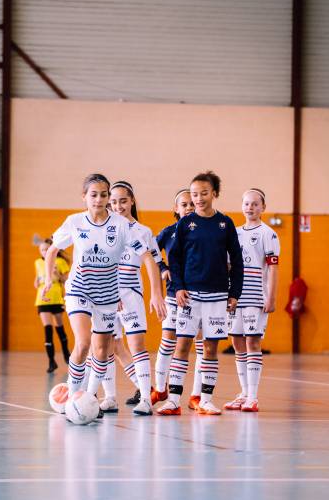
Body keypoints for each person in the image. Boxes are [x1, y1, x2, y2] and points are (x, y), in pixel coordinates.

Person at [42, 173, 166, 411]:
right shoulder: (75, 222)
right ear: (84, 197)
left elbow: (148, 258)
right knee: (84, 342)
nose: (98, 199)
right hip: (79, 290)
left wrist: (156, 293)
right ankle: (73, 393)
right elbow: (52, 250)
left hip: (108, 295)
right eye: (93, 195)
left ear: (107, 197)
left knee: (102, 350)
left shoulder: (122, 226)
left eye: (103, 195)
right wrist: (48, 278)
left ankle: (88, 399)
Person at [157, 171, 243, 416]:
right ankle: (173, 400)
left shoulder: (225, 224)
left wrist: (234, 292)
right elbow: (174, 258)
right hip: (189, 296)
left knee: (210, 349)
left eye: (204, 193)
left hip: (217, 297)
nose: (198, 198)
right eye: (194, 194)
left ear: (214, 194)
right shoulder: (185, 223)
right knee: (181, 345)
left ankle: (205, 399)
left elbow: (236, 261)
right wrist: (180, 286)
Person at [104, 180, 168, 415]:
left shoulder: (143, 231)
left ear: (132, 201)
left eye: (123, 201)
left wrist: (156, 294)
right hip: (107, 296)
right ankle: (110, 397)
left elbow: (152, 264)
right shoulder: (104, 229)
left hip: (131, 295)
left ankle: (146, 400)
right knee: (107, 346)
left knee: (136, 345)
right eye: (113, 201)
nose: (118, 206)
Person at [145, 189, 206, 409]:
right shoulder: (169, 232)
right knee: (168, 342)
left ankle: (196, 395)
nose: (189, 207)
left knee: (199, 345)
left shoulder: (206, 231)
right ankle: (161, 389)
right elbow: (150, 251)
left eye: (192, 203)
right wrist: (162, 267)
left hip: (199, 296)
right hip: (173, 295)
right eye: (184, 204)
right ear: (176, 208)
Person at [223, 188, 279, 413]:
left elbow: (273, 268)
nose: (250, 207)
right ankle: (244, 392)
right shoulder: (234, 233)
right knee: (237, 342)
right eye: (247, 203)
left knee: (252, 342)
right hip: (236, 295)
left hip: (256, 296)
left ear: (263, 207)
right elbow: (228, 266)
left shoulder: (268, 233)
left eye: (255, 204)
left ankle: (253, 397)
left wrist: (271, 297)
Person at [34, 238, 71, 373]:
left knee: (59, 328)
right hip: (42, 299)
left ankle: (67, 355)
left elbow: (67, 280)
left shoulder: (60, 262)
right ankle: (51, 361)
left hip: (56, 297)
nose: (44, 252)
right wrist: (37, 283)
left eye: (46, 249)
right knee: (48, 329)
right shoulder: (38, 262)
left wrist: (57, 274)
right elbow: (37, 280)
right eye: (41, 250)